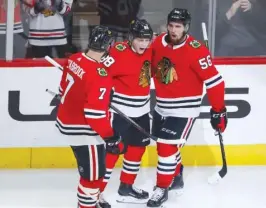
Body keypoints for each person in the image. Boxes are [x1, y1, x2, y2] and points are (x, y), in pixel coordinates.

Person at [147, 8, 227, 207]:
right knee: (164, 147)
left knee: (166, 147)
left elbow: (215, 82)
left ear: (186, 28)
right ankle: (176, 176)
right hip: (161, 107)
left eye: (178, 27)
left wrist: (219, 110)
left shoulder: (196, 49)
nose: (173, 30)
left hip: (184, 110)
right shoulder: (157, 43)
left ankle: (161, 188)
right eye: (171, 26)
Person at [55, 25, 124, 208]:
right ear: (108, 45)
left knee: (90, 174)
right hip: (84, 131)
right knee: (93, 178)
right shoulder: (98, 75)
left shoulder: (75, 58)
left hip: (66, 122)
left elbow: (63, 89)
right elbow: (94, 116)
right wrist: (111, 136)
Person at [98, 19, 153, 207]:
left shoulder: (151, 52)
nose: (144, 44)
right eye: (140, 40)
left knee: (137, 150)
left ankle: (126, 188)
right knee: (112, 152)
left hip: (143, 111)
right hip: (120, 113)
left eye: (147, 40)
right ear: (131, 38)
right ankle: (96, 193)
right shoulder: (117, 52)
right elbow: (99, 72)